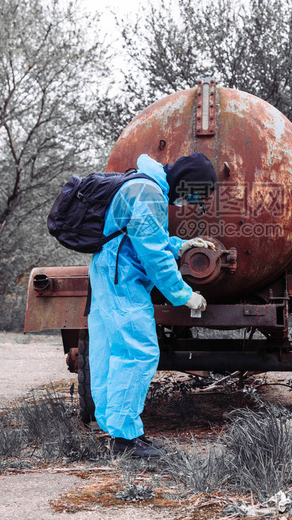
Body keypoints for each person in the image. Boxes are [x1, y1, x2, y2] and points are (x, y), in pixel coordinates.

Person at [88, 152, 217, 457]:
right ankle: (125, 441)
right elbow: (154, 257)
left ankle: (121, 431)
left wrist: (181, 244)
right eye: (195, 195)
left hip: (111, 273)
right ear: (186, 183)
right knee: (139, 353)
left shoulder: (146, 186)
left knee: (110, 352)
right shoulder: (150, 194)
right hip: (122, 279)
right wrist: (184, 295)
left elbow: (143, 238)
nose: (192, 204)